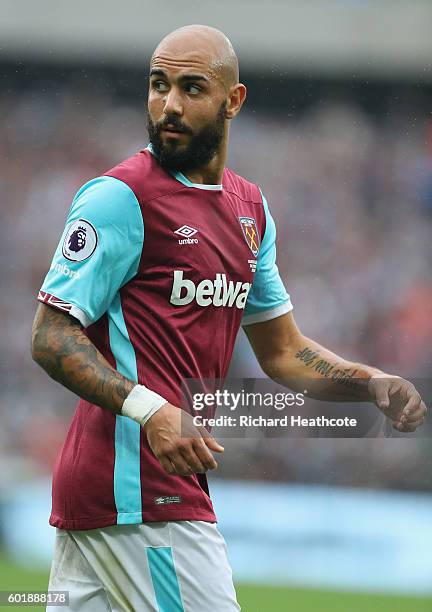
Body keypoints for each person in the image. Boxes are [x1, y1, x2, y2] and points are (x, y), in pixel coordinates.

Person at [31, 24, 427, 612]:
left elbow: (282, 350)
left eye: (191, 89)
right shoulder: (119, 198)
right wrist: (153, 410)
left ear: (232, 101)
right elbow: (50, 335)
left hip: (120, 497)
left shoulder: (249, 210)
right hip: (141, 491)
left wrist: (368, 383)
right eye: (158, 85)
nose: (169, 104)